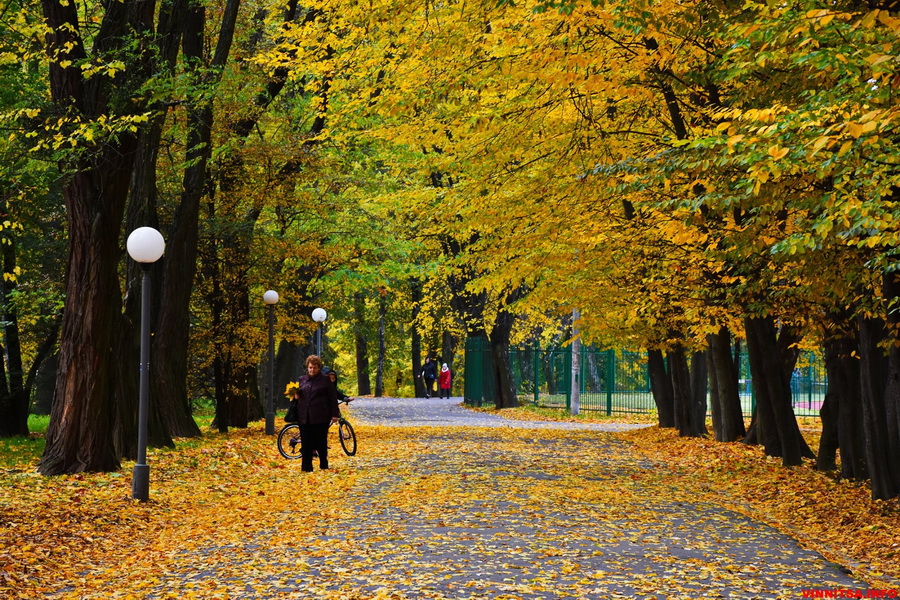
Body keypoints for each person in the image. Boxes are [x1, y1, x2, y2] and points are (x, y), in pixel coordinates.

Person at [296, 355, 340, 472]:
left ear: (319, 368)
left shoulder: (325, 380)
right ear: (307, 367)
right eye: (310, 367)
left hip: (321, 416)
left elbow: (332, 397)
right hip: (304, 416)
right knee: (306, 443)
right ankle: (306, 467)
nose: (312, 370)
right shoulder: (302, 379)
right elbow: (299, 397)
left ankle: (323, 464)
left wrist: (334, 414)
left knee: (320, 441)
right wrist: (296, 396)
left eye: (314, 368)